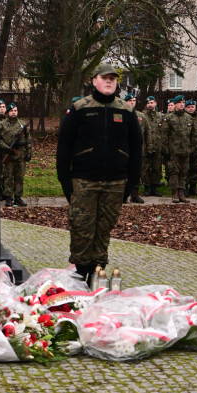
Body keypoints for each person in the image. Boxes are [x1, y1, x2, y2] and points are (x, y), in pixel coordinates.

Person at [56, 63, 143, 284]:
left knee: (104, 229)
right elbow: (64, 145)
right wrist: (66, 181)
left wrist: (131, 182)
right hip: (84, 181)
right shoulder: (80, 108)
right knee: (82, 228)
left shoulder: (126, 110)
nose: (109, 82)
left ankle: (98, 275)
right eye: (105, 78)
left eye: (113, 79)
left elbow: (136, 147)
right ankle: (79, 275)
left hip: (116, 182)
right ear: (94, 80)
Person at [161, 94, 193, 203]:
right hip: (173, 151)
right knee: (174, 172)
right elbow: (164, 135)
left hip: (185, 150)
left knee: (184, 172)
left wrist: (191, 148)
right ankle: (174, 193)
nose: (182, 104)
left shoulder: (188, 118)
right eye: (179, 103)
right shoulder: (168, 118)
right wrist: (165, 150)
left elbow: (191, 135)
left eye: (183, 103)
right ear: (175, 104)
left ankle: (181, 192)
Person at [0, 102, 31, 207]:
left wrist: (29, 152)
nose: (14, 112)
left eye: (15, 111)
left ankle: (18, 197)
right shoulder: (2, 124)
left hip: (20, 156)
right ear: (8, 112)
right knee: (8, 177)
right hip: (8, 156)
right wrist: (6, 148)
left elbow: (28, 140)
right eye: (12, 111)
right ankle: (8, 198)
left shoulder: (22, 124)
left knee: (19, 177)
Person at [124, 93, 145, 203]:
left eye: (133, 100)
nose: (132, 102)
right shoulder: (121, 114)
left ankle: (135, 194)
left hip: (137, 148)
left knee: (137, 170)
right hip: (124, 148)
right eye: (129, 101)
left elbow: (146, 133)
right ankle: (123, 195)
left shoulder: (141, 116)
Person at [141, 96, 163, 196]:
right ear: (146, 104)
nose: (150, 105)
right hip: (145, 146)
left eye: (152, 102)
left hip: (157, 146)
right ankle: (146, 187)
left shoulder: (160, 117)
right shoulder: (142, 116)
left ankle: (154, 188)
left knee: (156, 168)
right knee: (145, 167)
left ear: (155, 104)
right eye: (148, 103)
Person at [185, 99, 197, 196]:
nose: (191, 109)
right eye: (189, 107)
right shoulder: (184, 119)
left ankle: (193, 187)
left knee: (195, 169)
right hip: (186, 148)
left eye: (192, 107)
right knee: (186, 169)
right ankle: (184, 188)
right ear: (185, 108)